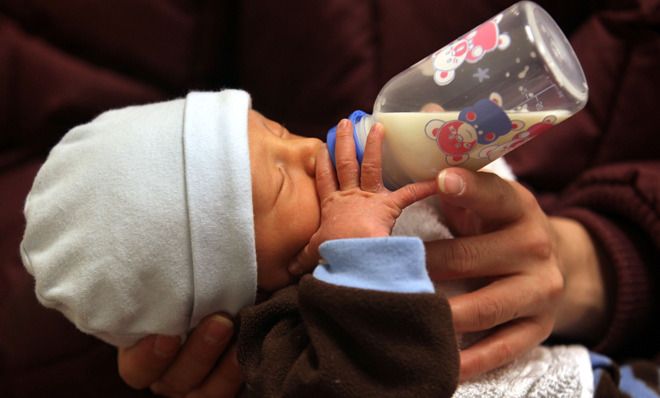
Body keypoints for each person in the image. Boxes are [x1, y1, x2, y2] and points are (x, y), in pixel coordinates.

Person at [21, 90, 461, 397]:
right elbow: (391, 380)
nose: (310, 151)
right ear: (237, 282)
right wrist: (362, 261)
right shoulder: (281, 354)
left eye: (280, 133)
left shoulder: (366, 194)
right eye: (280, 183)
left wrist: (456, 168)